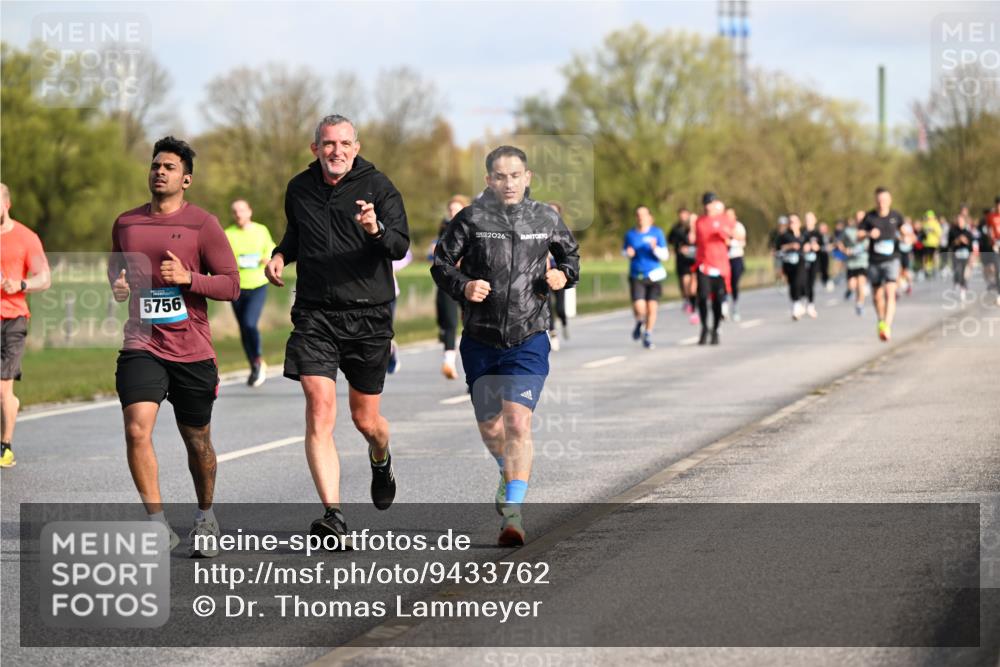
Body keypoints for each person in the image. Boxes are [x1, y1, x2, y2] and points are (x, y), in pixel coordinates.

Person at [265, 115, 409, 543]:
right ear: (315, 149)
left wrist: (374, 228)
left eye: (345, 143)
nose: (337, 151)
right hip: (315, 314)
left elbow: (399, 244)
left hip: (368, 315)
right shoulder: (299, 188)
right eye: (328, 144)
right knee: (319, 406)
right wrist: (279, 255)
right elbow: (297, 234)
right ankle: (334, 515)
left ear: (356, 146)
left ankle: (380, 456)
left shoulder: (379, 187)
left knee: (366, 420)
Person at [432, 145, 580, 546]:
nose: (509, 182)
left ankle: (513, 514)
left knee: (517, 421)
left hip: (529, 335)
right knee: (490, 425)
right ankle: (505, 469)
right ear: (488, 180)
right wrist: (463, 285)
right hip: (480, 338)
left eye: (515, 175)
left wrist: (563, 275)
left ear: (527, 177)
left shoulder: (545, 217)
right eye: (500, 176)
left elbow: (571, 257)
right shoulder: (471, 219)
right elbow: (440, 263)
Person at [108, 136, 240, 556]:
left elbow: (231, 285)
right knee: (136, 428)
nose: (159, 171)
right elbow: (117, 268)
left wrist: (189, 279)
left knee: (197, 440)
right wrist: (119, 284)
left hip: (192, 349)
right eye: (155, 165)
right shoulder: (126, 223)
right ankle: (156, 524)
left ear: (186, 179)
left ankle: (205, 517)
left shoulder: (204, 224)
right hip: (141, 342)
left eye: (168, 167)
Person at [0, 183, 51, 468]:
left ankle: (4, 446)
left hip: (12, 319)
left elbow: (44, 278)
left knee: (2, 390)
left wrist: (20, 284)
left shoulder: (25, 238)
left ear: (6, 204)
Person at [224, 199, 276, 387]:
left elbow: (271, 249)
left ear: (249, 212)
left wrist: (266, 257)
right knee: (244, 329)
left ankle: (258, 360)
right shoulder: (227, 234)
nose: (239, 214)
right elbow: (222, 257)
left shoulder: (261, 230)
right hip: (237, 287)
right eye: (235, 211)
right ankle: (255, 364)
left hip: (258, 284)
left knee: (249, 323)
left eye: (242, 210)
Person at [429, 196, 468, 379]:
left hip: (468, 281)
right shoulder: (444, 226)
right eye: (451, 209)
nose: (453, 213)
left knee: (471, 324)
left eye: (457, 210)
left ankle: (474, 369)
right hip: (448, 281)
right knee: (449, 322)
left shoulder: (472, 225)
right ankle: (449, 362)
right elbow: (438, 253)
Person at [859, 187, 903, 342]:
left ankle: (887, 326)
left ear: (889, 200)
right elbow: (859, 235)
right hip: (874, 261)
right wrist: (868, 233)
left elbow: (905, 231)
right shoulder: (869, 217)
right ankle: (881, 320)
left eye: (884, 199)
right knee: (877, 296)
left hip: (892, 259)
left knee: (890, 292)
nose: (881, 202)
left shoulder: (896, 216)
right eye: (879, 200)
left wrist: (907, 237)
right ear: (875, 200)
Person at [623, 205, 668, 349]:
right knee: (639, 307)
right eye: (638, 215)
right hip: (637, 274)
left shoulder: (657, 233)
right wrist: (627, 253)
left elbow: (665, 256)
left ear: (650, 217)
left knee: (652, 308)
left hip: (654, 275)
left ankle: (648, 333)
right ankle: (640, 322)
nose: (641, 218)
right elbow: (624, 251)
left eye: (643, 215)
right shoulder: (630, 234)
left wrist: (655, 248)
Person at [692, 192, 733, 344]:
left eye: (711, 203)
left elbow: (733, 237)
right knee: (702, 297)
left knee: (717, 300)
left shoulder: (724, 220)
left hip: (720, 266)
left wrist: (724, 234)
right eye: (706, 203)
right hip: (704, 265)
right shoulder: (699, 221)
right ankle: (704, 327)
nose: (708, 206)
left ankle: (715, 329)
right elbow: (695, 240)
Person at [667, 207, 698, 323]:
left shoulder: (699, 231)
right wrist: (679, 249)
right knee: (685, 283)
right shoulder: (678, 230)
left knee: (693, 286)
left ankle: (694, 307)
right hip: (683, 261)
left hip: (696, 261)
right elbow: (671, 240)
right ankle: (687, 300)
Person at [546, 202, 570, 351]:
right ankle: (553, 334)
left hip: (559, 274)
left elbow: (571, 253)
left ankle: (564, 321)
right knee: (547, 306)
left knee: (560, 308)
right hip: (544, 274)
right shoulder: (537, 229)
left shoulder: (564, 232)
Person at [387, 248, 414, 373]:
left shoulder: (383, 229)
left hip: (388, 292)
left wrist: (388, 264)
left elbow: (407, 254)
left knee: (383, 330)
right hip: (357, 293)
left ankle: (390, 350)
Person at [837, 212, 869, 317]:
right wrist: (845, 250)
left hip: (863, 261)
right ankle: (849, 291)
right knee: (852, 285)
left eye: (862, 218)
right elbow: (839, 242)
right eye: (858, 218)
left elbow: (870, 244)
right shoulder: (848, 231)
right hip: (851, 263)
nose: (860, 220)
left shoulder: (868, 230)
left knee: (861, 285)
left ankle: (860, 304)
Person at [777, 214, 807, 320]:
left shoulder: (804, 234)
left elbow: (809, 245)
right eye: (790, 222)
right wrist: (790, 246)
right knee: (792, 284)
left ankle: (798, 304)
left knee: (799, 282)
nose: (792, 224)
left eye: (794, 222)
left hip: (801, 262)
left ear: (799, 223)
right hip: (788, 262)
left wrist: (808, 247)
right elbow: (777, 249)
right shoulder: (784, 236)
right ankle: (796, 305)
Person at [726, 207, 747, 322]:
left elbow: (742, 240)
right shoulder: (721, 226)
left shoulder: (739, 226)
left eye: (731, 215)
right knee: (723, 283)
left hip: (736, 257)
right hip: (724, 258)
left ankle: (735, 305)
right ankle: (723, 306)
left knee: (734, 283)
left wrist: (731, 235)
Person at [946, 213, 974, 302]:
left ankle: (963, 289)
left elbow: (971, 246)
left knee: (963, 273)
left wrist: (966, 242)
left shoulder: (968, 232)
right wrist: (957, 241)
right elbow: (949, 244)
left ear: (964, 222)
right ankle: (956, 283)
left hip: (965, 255)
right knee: (957, 271)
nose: (959, 222)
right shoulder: (952, 231)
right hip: (956, 254)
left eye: (961, 221)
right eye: (958, 221)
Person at [802, 212, 822, 318]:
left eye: (810, 219)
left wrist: (817, 247)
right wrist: (803, 248)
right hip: (803, 262)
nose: (808, 221)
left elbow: (823, 248)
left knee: (811, 283)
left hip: (814, 261)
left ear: (815, 220)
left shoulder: (818, 234)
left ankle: (810, 305)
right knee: (802, 282)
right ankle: (801, 302)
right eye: (806, 219)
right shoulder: (801, 233)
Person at [982, 197, 1000, 304]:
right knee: (998, 270)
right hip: (996, 246)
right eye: (998, 205)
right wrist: (992, 240)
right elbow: (988, 231)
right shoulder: (990, 217)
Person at [897, 216, 917, 296]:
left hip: (906, 251)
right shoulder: (897, 227)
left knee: (904, 271)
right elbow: (897, 237)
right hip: (898, 251)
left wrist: (909, 240)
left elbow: (914, 238)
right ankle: (898, 289)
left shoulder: (908, 227)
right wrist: (901, 238)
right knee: (898, 270)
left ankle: (909, 283)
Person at [922, 210, 943, 277]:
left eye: (929, 217)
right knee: (927, 258)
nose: (928, 218)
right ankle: (928, 270)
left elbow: (940, 233)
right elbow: (923, 233)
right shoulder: (925, 224)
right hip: (926, 244)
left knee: (934, 257)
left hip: (934, 244)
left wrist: (933, 230)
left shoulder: (936, 223)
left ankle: (935, 270)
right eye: (927, 217)